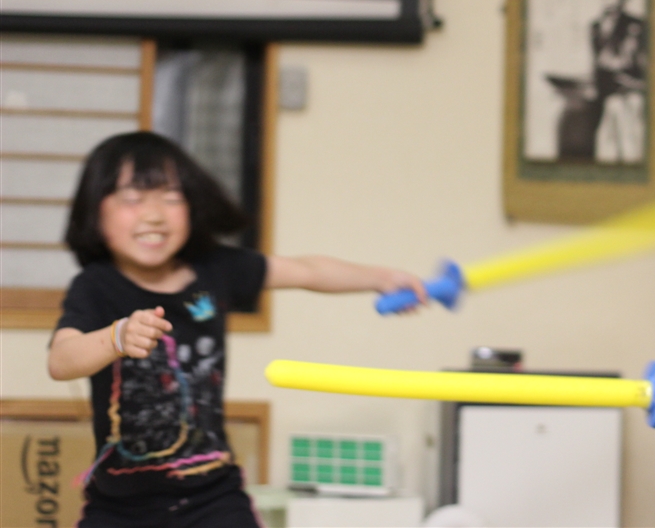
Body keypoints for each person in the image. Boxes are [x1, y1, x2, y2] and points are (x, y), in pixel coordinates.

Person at [48, 131, 426, 528]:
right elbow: (61, 360)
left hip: (213, 498)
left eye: (172, 196)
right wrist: (116, 337)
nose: (154, 214)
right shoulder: (95, 286)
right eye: (132, 198)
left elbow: (307, 271)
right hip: (121, 506)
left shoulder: (217, 268)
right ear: (96, 210)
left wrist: (381, 278)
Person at [591, 0, 648, 164]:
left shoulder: (636, 26)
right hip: (605, 97)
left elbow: (637, 64)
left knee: (630, 150)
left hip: (629, 97)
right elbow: (598, 64)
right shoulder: (595, 27)